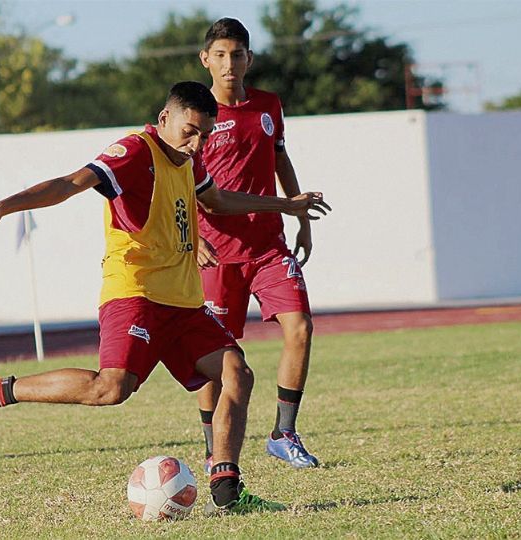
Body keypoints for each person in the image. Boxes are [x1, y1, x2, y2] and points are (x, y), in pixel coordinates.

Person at [0, 81, 328, 514]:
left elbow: (215, 201)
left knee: (237, 372)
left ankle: (228, 491)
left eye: (205, 136)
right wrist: (1, 208)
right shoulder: (136, 152)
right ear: (164, 119)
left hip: (182, 303)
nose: (197, 144)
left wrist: (285, 206)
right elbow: (68, 183)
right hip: (134, 293)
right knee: (111, 388)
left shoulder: (188, 162)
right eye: (190, 131)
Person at [194, 18, 331, 472]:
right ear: (205, 60)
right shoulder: (194, 114)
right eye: (220, 55)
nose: (229, 63)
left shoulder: (269, 104)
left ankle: (283, 433)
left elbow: (279, 156)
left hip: (269, 247)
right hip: (217, 254)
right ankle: (214, 447)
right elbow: (173, 183)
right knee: (218, 356)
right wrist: (191, 238)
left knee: (301, 329)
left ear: (249, 58)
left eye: (237, 54)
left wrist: (299, 216)